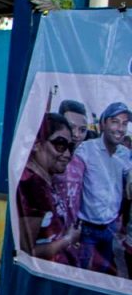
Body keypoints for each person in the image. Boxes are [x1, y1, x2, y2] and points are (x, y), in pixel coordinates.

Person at [74, 101, 132, 275]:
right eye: (115, 122)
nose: (120, 128)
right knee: (81, 275)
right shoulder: (86, 150)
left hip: (110, 228)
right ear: (103, 124)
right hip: (86, 230)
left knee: (103, 274)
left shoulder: (125, 154)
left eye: (124, 124)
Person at [17, 113, 79, 261]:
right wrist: (69, 239)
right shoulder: (31, 185)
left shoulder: (44, 181)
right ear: (36, 144)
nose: (67, 154)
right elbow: (25, 252)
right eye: (60, 145)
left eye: (71, 147)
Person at [52, 99, 89, 233]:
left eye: (82, 130)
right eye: (71, 127)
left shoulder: (81, 163)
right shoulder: (46, 158)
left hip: (70, 235)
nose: (77, 135)